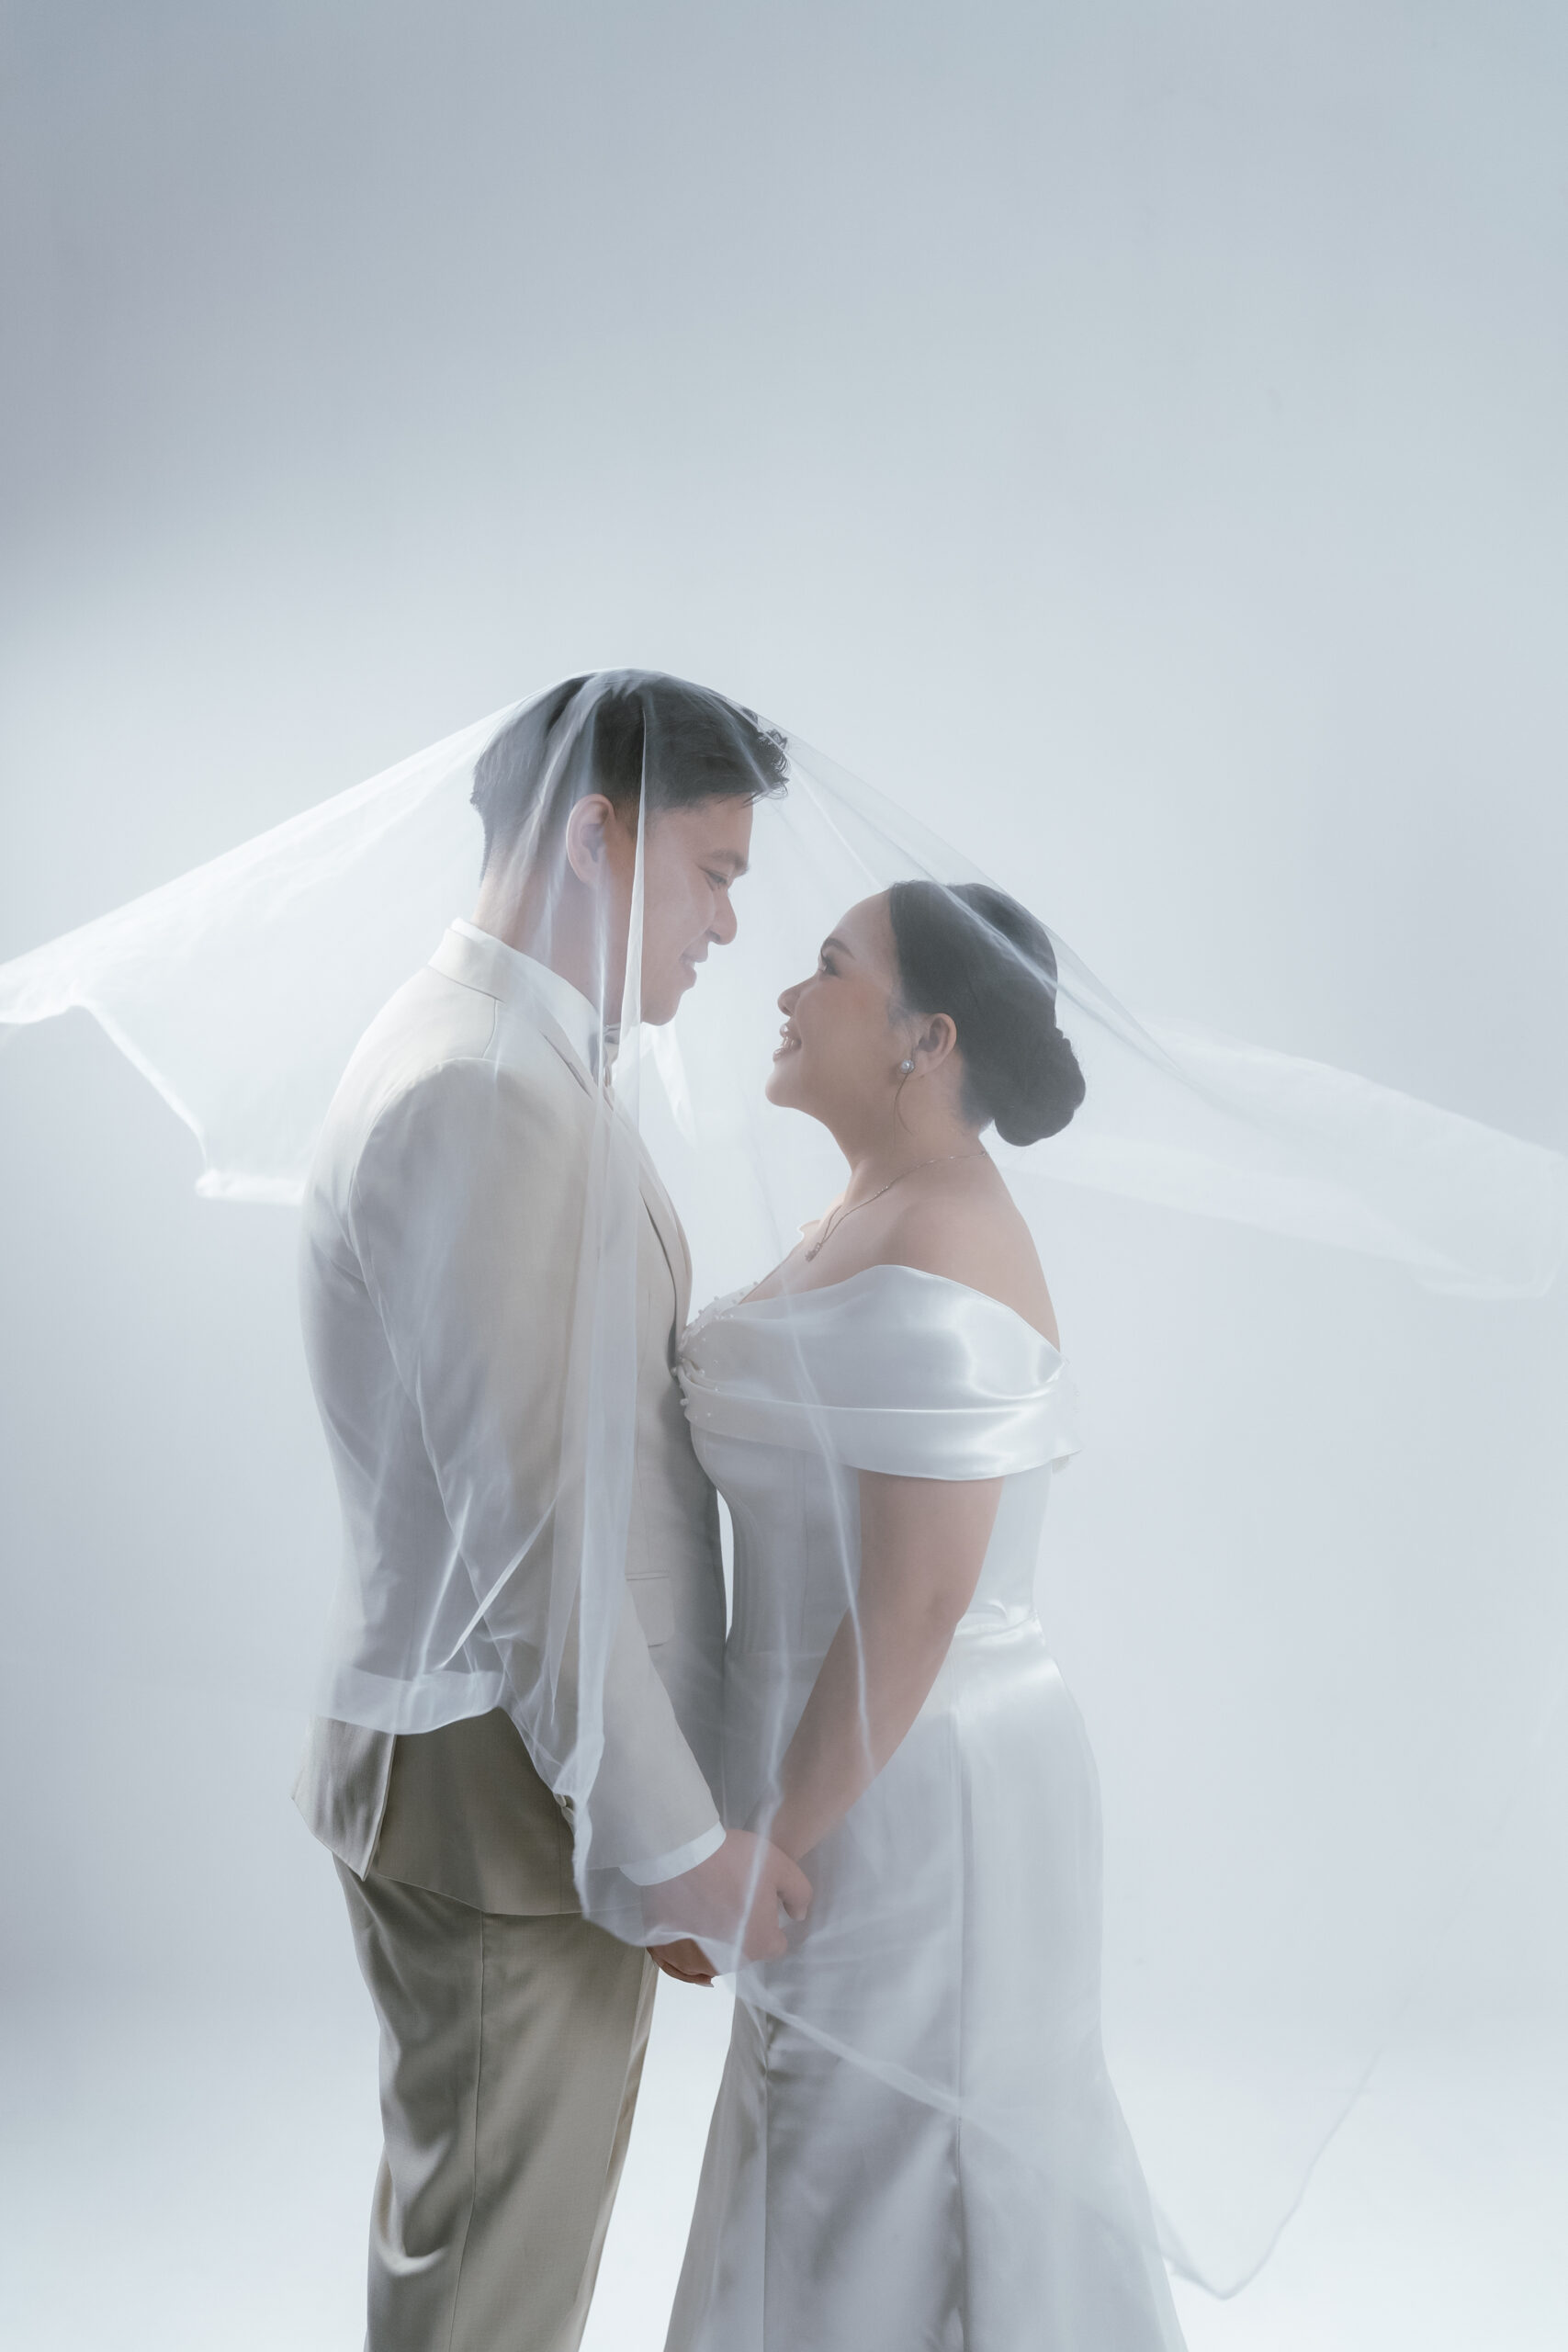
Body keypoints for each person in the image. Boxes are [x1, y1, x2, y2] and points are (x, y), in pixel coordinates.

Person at [291, 673, 810, 2352]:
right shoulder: (480, 1091)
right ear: (596, 836)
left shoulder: (499, 1059)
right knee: (490, 2309)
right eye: (713, 871)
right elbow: (536, 1539)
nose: (729, 924)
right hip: (502, 1801)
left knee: (499, 2279)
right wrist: (675, 1848)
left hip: (518, 1792)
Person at [668, 881, 1186, 2349]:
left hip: (914, 1787)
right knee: (823, 2165)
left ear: (927, 1038)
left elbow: (919, 1596)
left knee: (890, 2173)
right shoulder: (867, 1211)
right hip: (845, 1758)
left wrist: (768, 1844)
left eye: (829, 967)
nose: (787, 993)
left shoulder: (946, 1232)